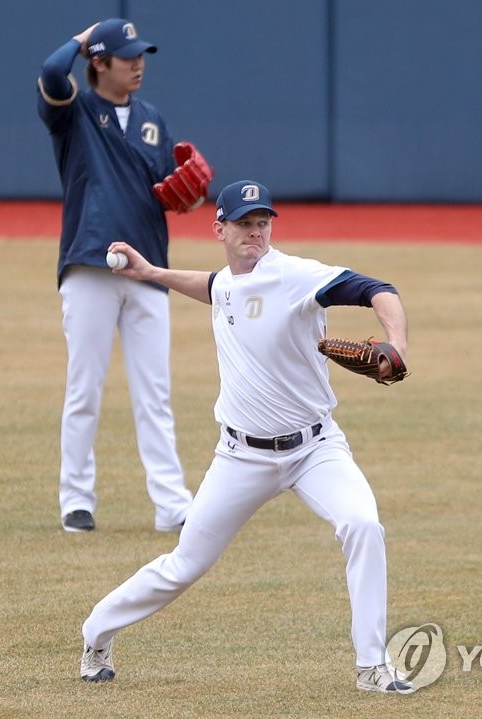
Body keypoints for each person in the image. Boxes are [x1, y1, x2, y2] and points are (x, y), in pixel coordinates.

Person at [79, 180, 415, 694]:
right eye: (244, 223)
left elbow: (378, 288)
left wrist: (397, 343)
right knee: (183, 565)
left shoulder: (296, 275)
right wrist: (150, 272)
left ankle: (372, 666)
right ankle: (96, 634)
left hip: (315, 448)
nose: (255, 232)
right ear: (220, 229)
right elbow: (215, 287)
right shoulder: (230, 283)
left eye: (262, 223)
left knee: (363, 525)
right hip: (240, 457)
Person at [37, 18, 193, 533]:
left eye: (141, 55)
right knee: (85, 389)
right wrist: (83, 39)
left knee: (156, 393)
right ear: (99, 63)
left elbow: (166, 190)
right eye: (126, 56)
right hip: (90, 265)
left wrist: (183, 193)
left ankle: (172, 504)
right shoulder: (74, 112)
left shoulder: (152, 119)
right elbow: (51, 71)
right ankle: (75, 500)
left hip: (149, 267)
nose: (138, 64)